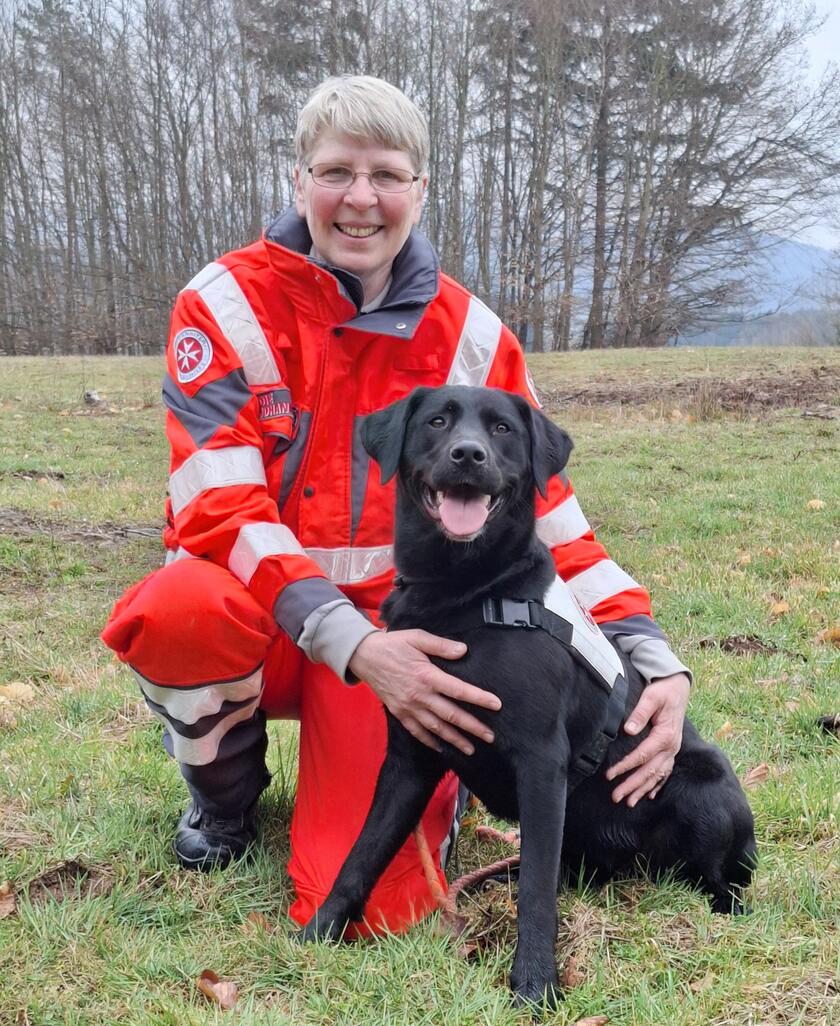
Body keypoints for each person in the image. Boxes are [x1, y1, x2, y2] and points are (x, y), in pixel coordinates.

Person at [101, 75, 691, 935]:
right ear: (299, 180)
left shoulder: (474, 337)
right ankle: (222, 798)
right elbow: (220, 509)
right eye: (337, 171)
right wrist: (356, 645)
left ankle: (407, 802)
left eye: (388, 174)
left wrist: (654, 657)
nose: (361, 199)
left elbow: (553, 526)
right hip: (279, 627)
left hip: (412, 645)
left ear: (421, 188)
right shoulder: (223, 304)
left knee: (380, 910)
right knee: (178, 605)